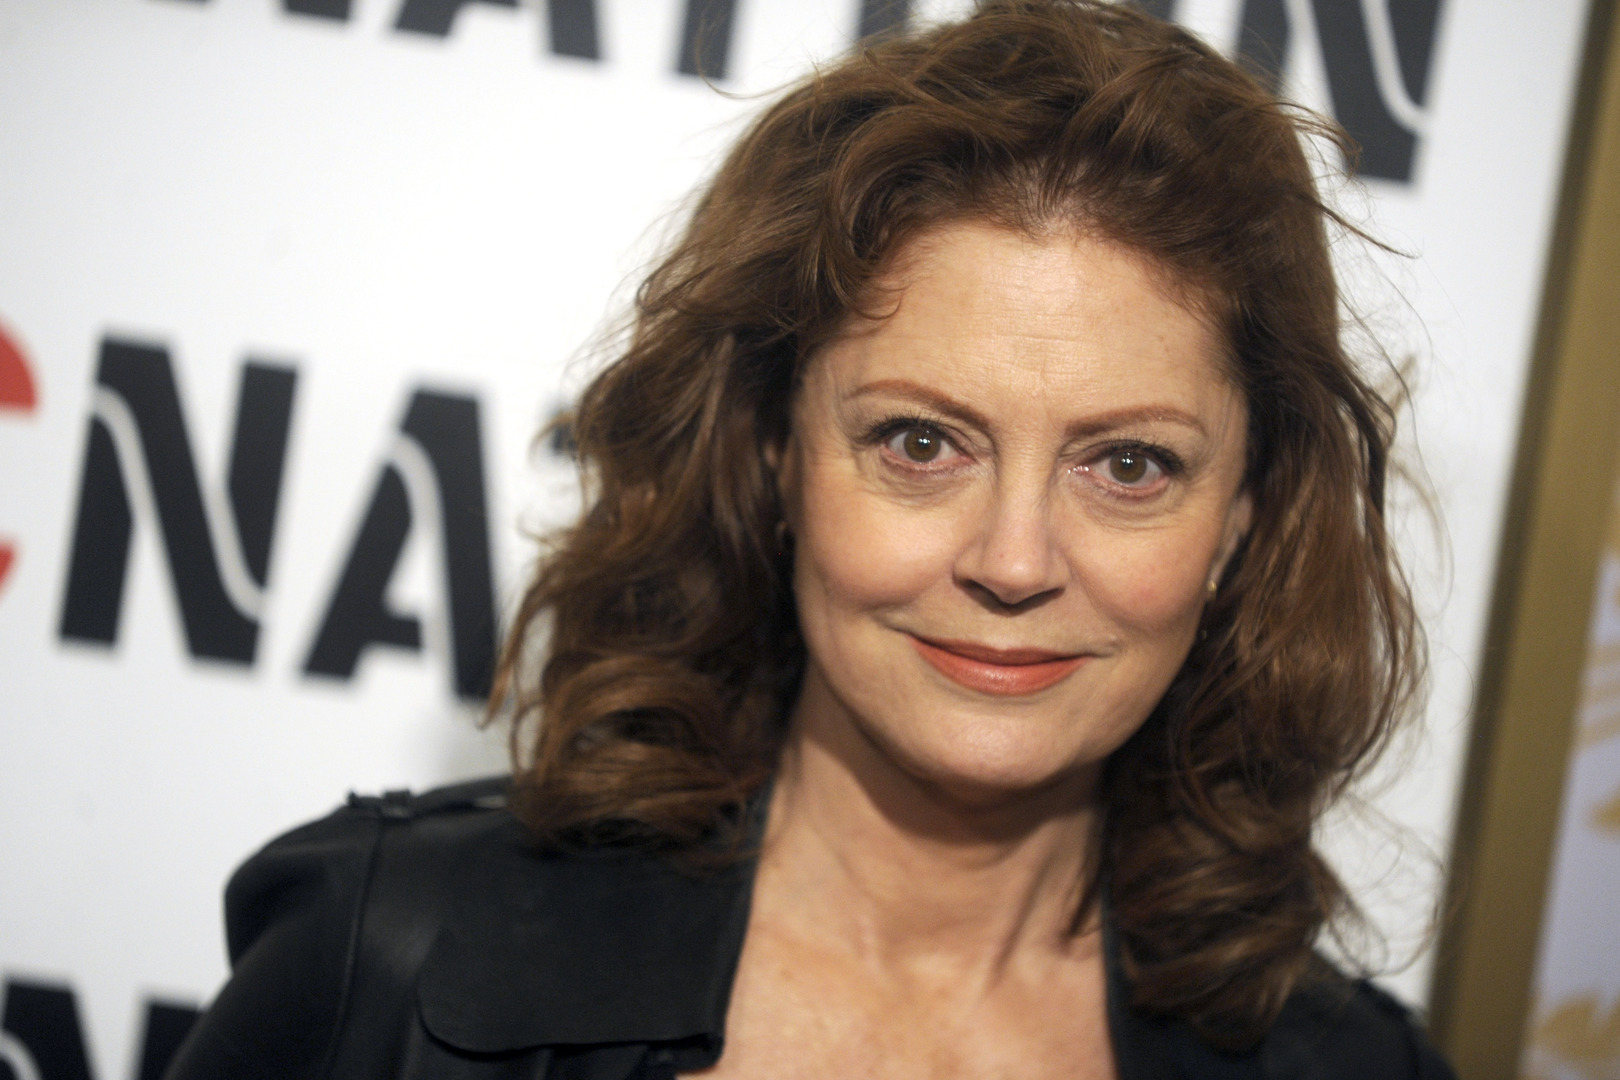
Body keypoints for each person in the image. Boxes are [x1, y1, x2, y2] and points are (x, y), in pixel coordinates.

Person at [165, 2, 1456, 1078]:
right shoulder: (391, 954)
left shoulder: (1353, 1069)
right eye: (919, 442)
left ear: (1243, 515)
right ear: (775, 454)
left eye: (1129, 464)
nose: (1014, 562)